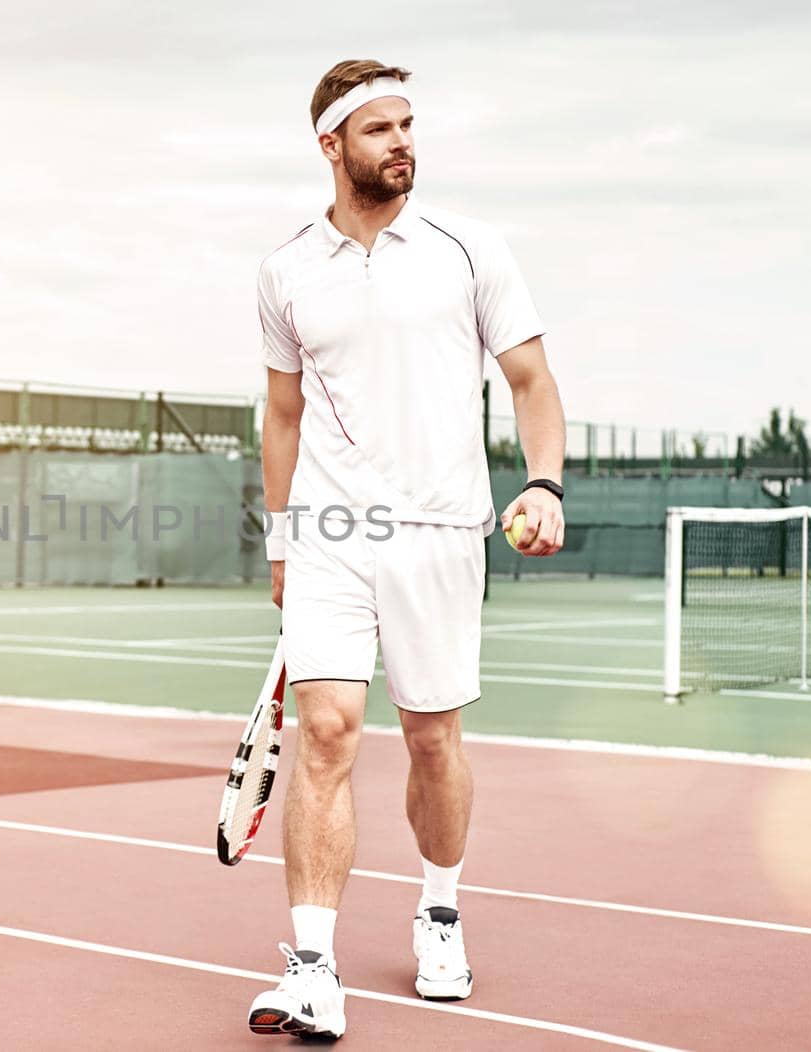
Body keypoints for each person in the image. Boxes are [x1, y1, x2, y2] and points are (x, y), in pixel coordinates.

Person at [247, 58, 566, 1041]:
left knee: (432, 740)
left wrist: (544, 481)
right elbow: (282, 416)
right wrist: (282, 542)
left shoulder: (469, 250)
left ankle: (437, 911)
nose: (402, 145)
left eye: (407, 126)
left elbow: (530, 381)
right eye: (379, 129)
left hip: (439, 533)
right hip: (332, 533)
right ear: (330, 145)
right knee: (330, 732)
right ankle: (310, 968)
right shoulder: (286, 268)